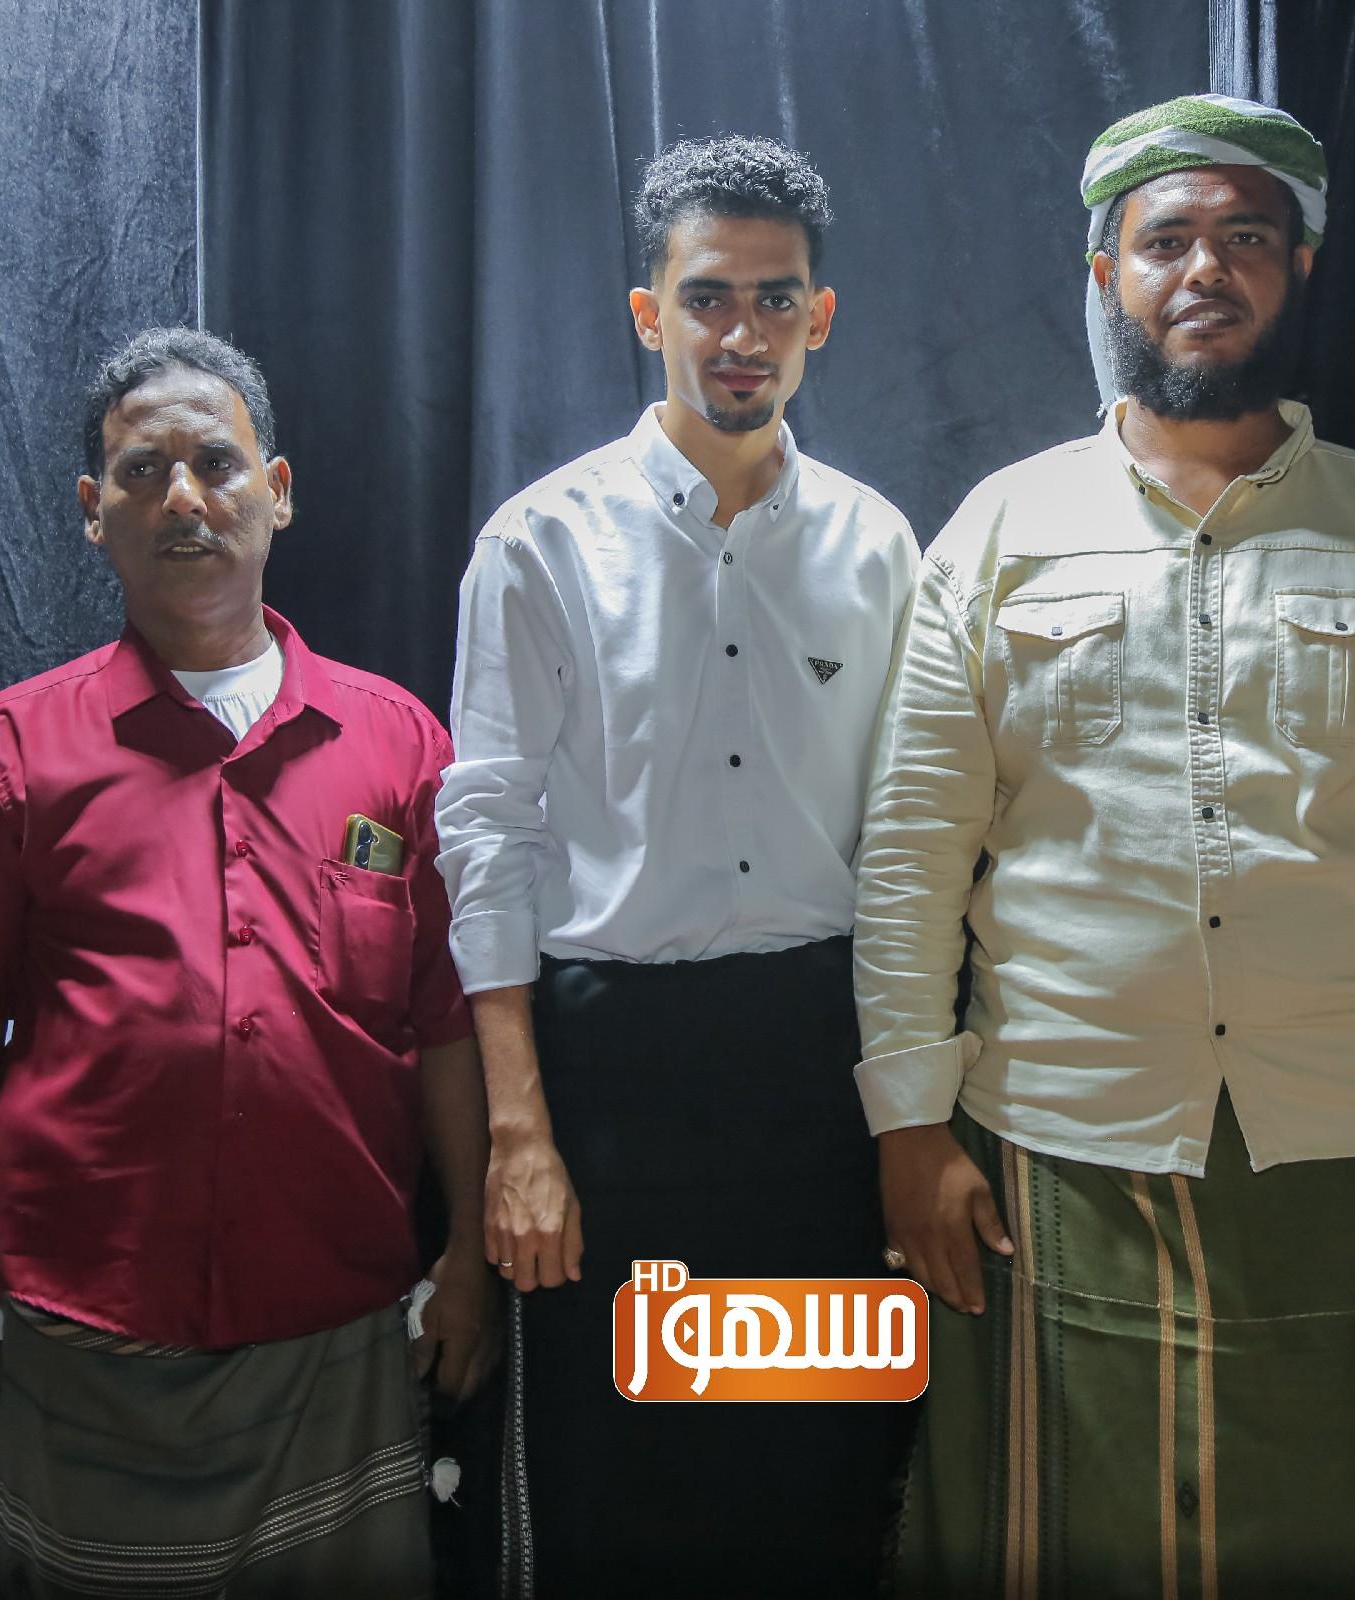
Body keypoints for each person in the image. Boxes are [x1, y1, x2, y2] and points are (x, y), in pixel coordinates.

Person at [852, 95, 1355, 1595]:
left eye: (1248, 237)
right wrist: (909, 1128)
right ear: (1104, 273)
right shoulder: (998, 531)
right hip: (1061, 1141)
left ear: (1300, 267)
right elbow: (915, 852)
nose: (1206, 269)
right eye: (1166, 239)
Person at [0, 328, 494, 1596]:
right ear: (94, 512)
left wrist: (468, 1248)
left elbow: (450, 1024)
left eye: (215, 463)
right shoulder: (8, 753)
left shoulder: (399, 744)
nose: (183, 497)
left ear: (278, 490)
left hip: (341, 1332)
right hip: (90, 1343)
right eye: (143, 473)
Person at [435, 135, 919, 1594]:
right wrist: (519, 1136)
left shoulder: (880, 545)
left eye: (775, 300)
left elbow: (914, 839)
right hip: (612, 1077)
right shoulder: (539, 543)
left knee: (820, 1463)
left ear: (820, 318)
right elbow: (489, 837)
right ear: (650, 313)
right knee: (617, 1486)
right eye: (708, 297)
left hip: (819, 1068)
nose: (741, 332)